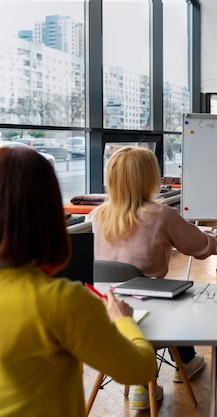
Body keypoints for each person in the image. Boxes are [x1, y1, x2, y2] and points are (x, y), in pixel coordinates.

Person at [0, 146, 156, 417]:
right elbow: (139, 369)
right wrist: (123, 320)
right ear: (48, 213)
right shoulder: (62, 302)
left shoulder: (98, 216)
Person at [90, 146, 217, 410]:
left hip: (106, 312)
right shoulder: (161, 215)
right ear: (150, 177)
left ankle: (142, 385)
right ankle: (179, 365)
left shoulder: (96, 216)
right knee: (183, 302)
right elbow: (202, 248)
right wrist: (212, 235)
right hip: (152, 313)